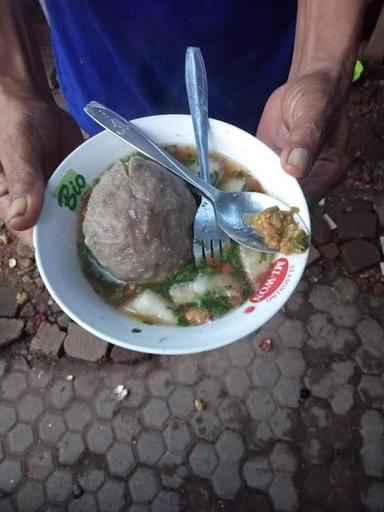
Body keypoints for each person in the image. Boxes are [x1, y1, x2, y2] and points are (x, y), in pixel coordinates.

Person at [0, 0, 367, 248]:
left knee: (282, 167)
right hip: (102, 68)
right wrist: (14, 86)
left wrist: (319, 65)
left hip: (263, 73)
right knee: (102, 151)